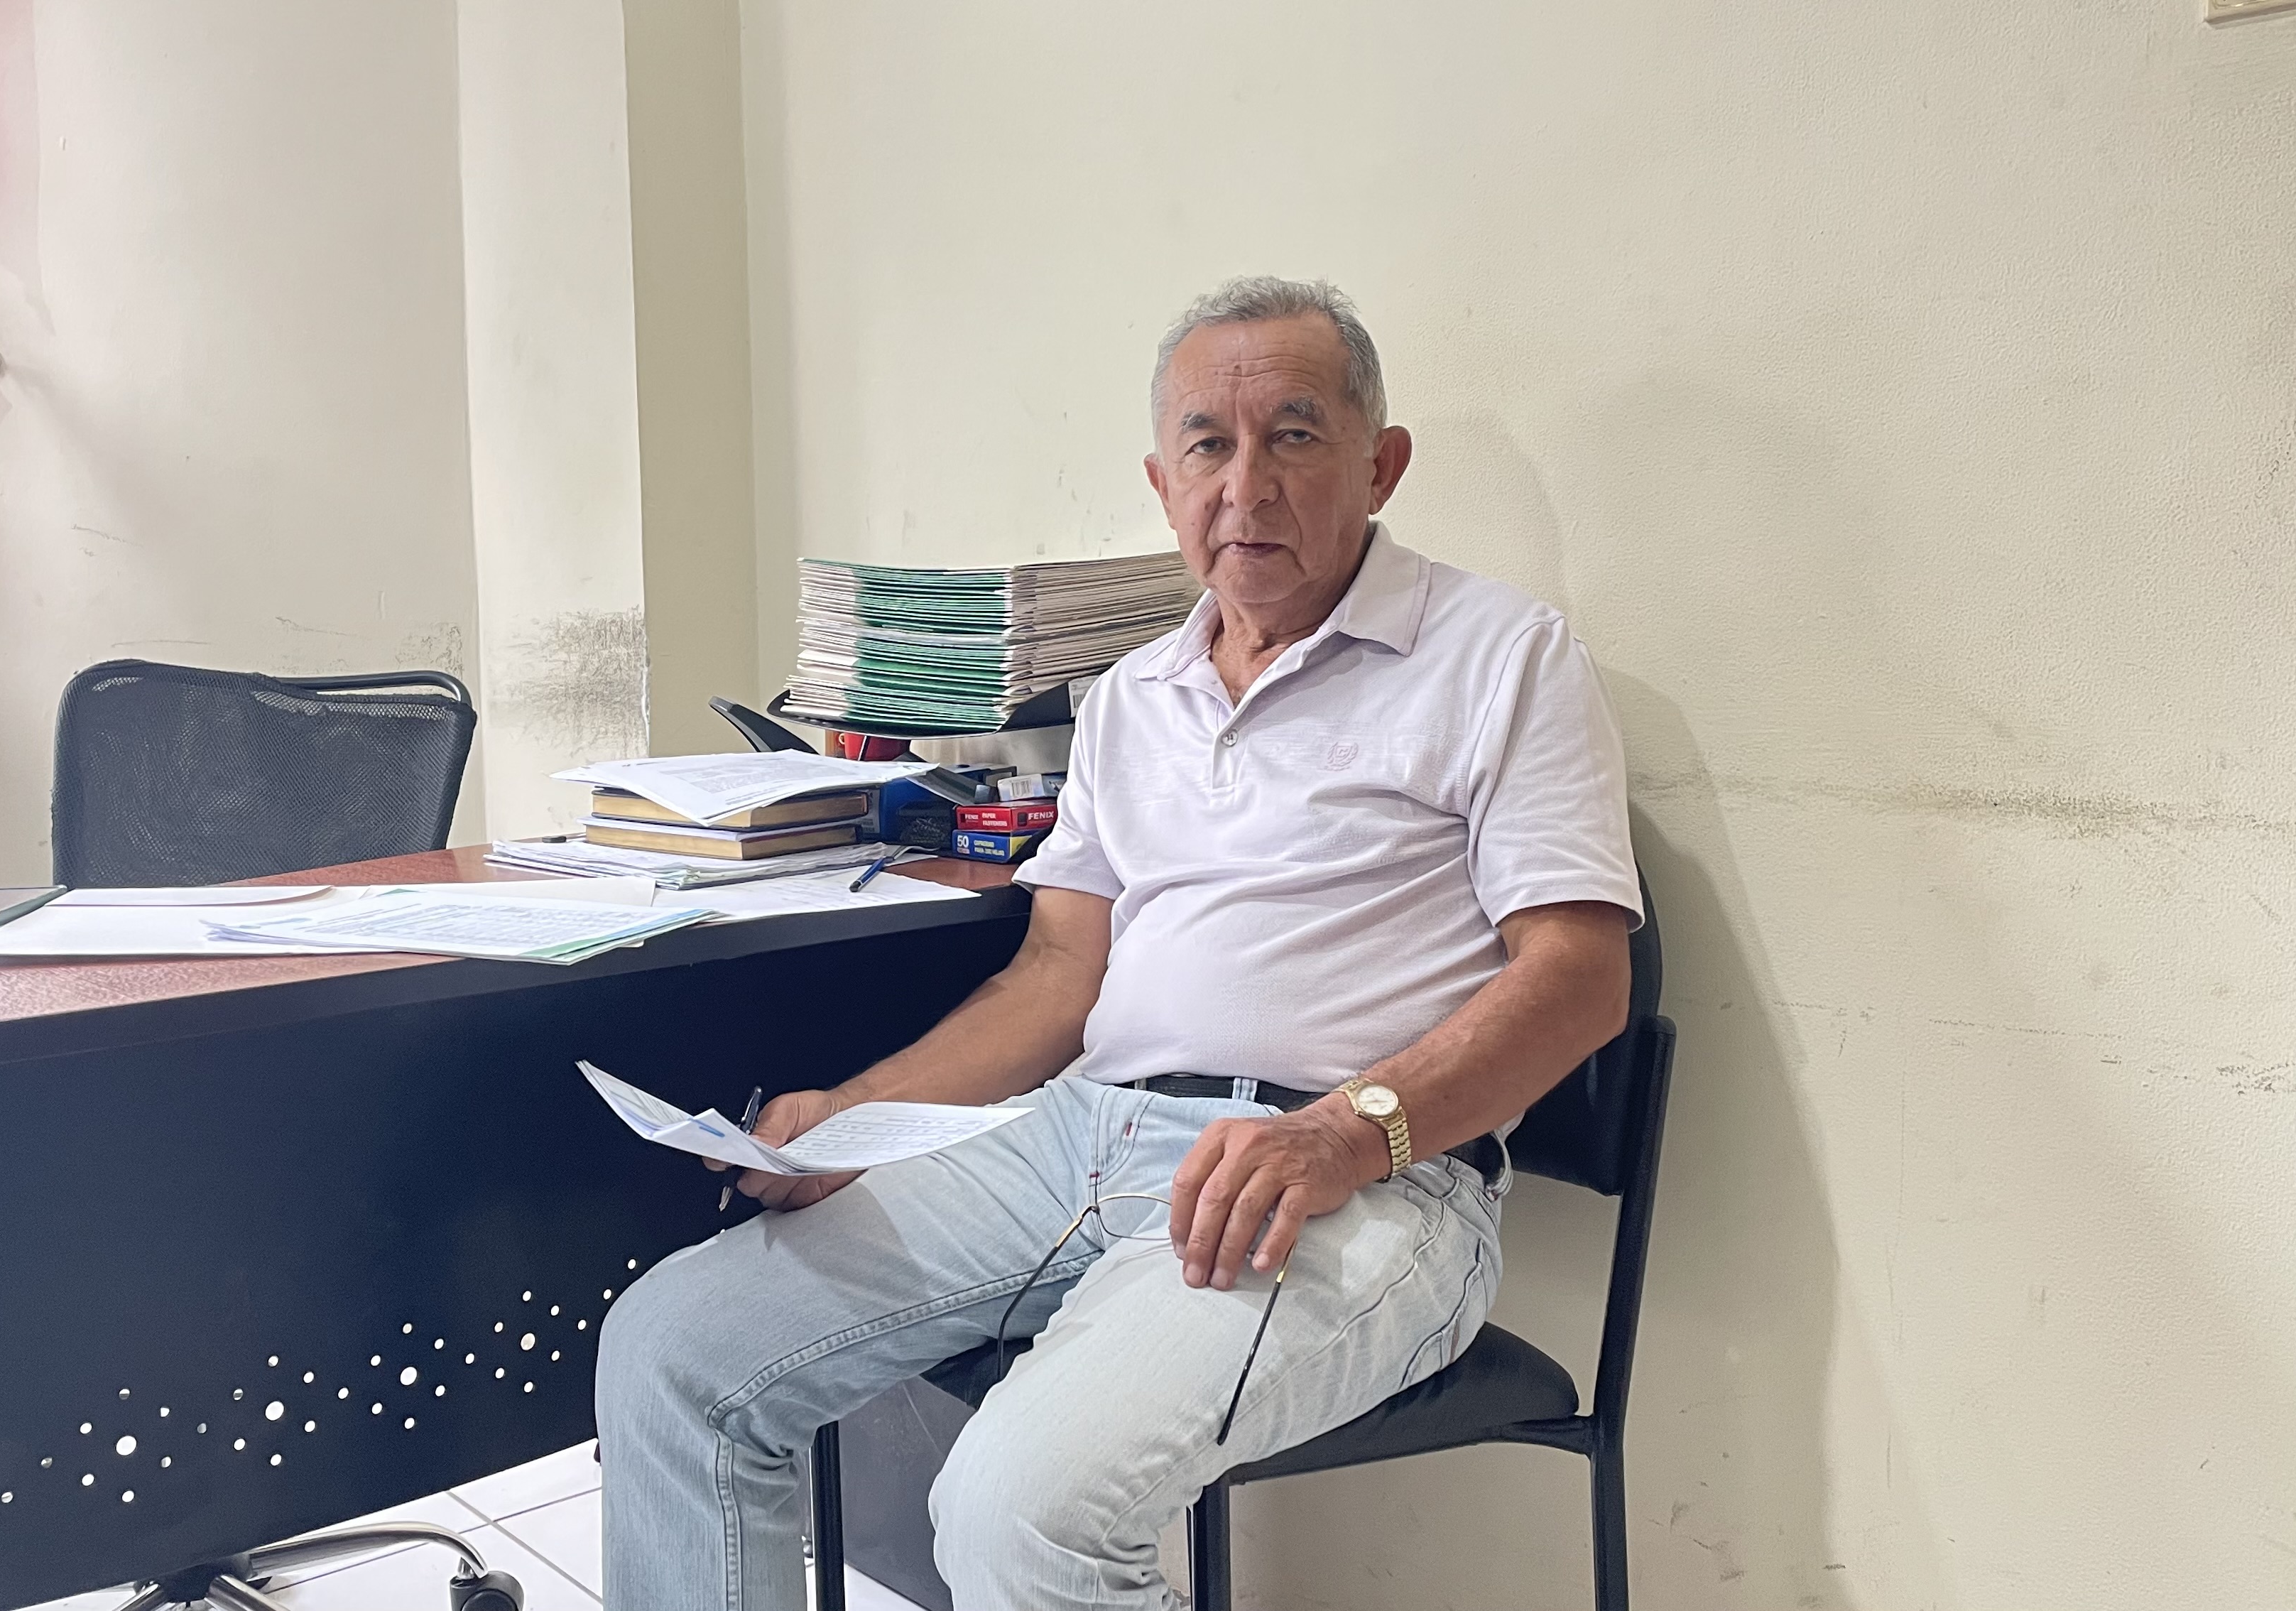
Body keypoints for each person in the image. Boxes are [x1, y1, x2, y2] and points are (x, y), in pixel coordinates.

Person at [595, 276, 1642, 1610]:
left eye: (1296, 436)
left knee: (1017, 1512)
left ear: (1381, 466)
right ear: (1163, 483)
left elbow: (1578, 979)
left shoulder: (1503, 657)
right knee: (671, 1353)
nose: (1246, 486)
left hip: (1363, 1175)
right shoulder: (1132, 695)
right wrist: (854, 1119)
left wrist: (1342, 1133)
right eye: (1208, 445)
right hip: (1079, 1138)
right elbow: (1057, 975)